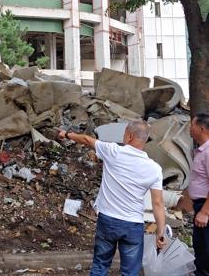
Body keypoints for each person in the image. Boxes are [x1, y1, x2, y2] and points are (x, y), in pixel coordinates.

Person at [58, 120, 166, 276]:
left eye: (123, 134)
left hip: (108, 221)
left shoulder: (113, 151)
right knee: (130, 272)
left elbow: (87, 140)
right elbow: (158, 203)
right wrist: (160, 233)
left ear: (129, 136)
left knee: (100, 266)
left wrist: (66, 134)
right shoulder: (154, 169)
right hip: (133, 225)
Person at [178, 113, 209, 275]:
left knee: (206, 252)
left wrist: (205, 212)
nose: (190, 129)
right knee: (200, 249)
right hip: (200, 206)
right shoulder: (201, 151)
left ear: (202, 128)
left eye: (192, 125)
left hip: (206, 208)